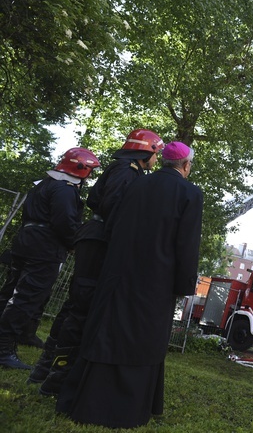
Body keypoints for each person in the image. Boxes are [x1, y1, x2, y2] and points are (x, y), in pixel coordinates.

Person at [56, 141, 203, 428]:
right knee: (142, 340)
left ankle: (87, 399)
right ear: (186, 166)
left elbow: (113, 224)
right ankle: (127, 409)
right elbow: (187, 245)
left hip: (118, 272)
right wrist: (184, 284)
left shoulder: (137, 184)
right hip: (156, 281)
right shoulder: (190, 193)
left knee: (108, 329)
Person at [29, 129, 165, 395]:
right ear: (146, 151)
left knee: (76, 305)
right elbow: (113, 207)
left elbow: (94, 199)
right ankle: (55, 379)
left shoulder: (124, 169)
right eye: (155, 154)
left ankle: (45, 371)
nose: (156, 161)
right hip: (100, 242)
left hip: (95, 239)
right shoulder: (126, 171)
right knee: (81, 307)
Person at [0, 148, 100, 369]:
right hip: (44, 247)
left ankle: (25, 334)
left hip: (27, 239)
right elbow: (64, 221)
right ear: (80, 168)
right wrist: (73, 242)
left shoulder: (45, 183)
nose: (91, 175)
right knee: (28, 296)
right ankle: (3, 349)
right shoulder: (65, 189)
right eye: (90, 170)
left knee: (13, 291)